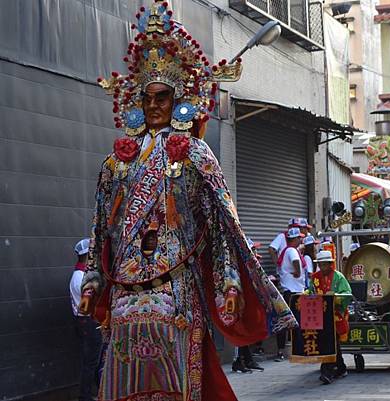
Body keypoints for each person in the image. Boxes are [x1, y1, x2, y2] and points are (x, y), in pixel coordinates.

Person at [79, 4, 296, 400]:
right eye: (147, 98)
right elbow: (99, 229)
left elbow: (222, 226)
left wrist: (228, 280)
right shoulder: (117, 164)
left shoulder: (195, 154)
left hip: (178, 284)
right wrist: (93, 277)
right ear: (136, 102)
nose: (154, 105)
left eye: (163, 96)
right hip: (126, 289)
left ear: (179, 98)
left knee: (179, 377)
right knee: (122, 373)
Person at [308, 250, 352, 385]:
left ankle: (326, 371)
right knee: (329, 342)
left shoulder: (338, 277)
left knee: (330, 342)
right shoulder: (314, 277)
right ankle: (341, 367)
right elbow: (311, 292)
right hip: (319, 316)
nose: (322, 267)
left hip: (335, 315)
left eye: (324, 265)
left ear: (330, 264)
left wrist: (336, 297)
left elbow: (347, 293)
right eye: (320, 265)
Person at [70, 238, 102, 401]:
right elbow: (87, 307)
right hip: (89, 322)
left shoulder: (78, 274)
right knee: (91, 363)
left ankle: (98, 392)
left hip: (83, 322)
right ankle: (85, 397)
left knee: (93, 361)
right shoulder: (84, 277)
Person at [231, 239, 264, 373]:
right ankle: (238, 361)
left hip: (246, 302)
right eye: (253, 249)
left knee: (246, 330)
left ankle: (247, 359)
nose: (255, 251)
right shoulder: (238, 265)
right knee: (240, 330)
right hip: (238, 302)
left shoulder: (249, 264)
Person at [275, 227, 306, 361]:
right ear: (294, 239)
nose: (300, 239)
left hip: (289, 291)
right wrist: (298, 272)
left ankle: (282, 350)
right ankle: (298, 349)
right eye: (299, 237)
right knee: (296, 321)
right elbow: (296, 261)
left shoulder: (286, 251)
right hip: (294, 292)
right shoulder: (292, 250)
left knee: (286, 321)